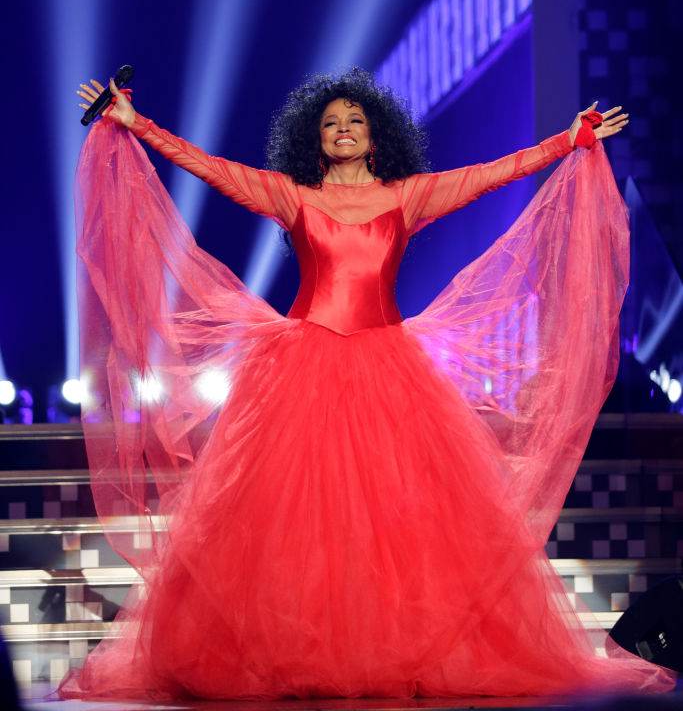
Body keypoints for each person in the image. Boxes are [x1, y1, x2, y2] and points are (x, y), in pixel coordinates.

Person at [59, 69, 674, 701]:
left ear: (375, 136)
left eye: (354, 121)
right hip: (301, 369)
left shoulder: (408, 197)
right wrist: (139, 126)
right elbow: (208, 166)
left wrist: (564, 142)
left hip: (388, 370)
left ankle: (406, 649)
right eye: (330, 123)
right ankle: (288, 650)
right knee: (290, 524)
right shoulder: (288, 195)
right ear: (314, 139)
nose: (343, 129)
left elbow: (496, 171)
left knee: (401, 524)